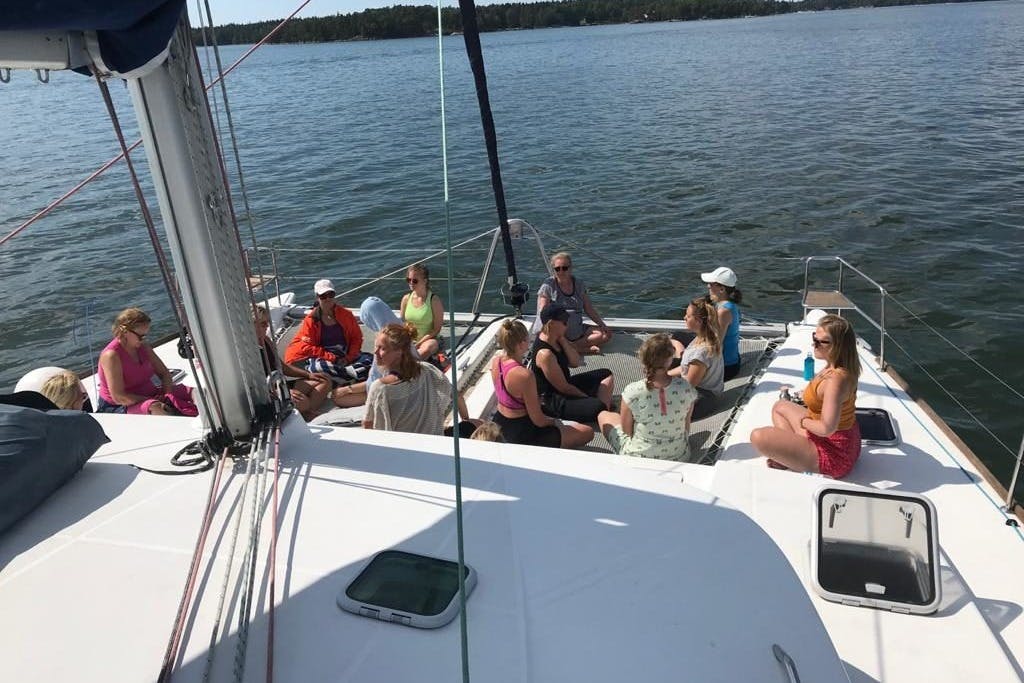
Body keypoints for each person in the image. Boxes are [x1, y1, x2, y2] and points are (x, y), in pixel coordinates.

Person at [750, 315, 862, 478]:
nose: (814, 344)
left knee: (757, 437)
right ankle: (791, 456)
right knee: (780, 407)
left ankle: (792, 458)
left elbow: (826, 428)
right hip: (843, 440)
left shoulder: (835, 380)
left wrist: (803, 422)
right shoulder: (837, 366)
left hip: (834, 454)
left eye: (822, 342)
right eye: (814, 338)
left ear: (839, 346)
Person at [490, 319, 594, 449]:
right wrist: (555, 422)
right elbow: (538, 420)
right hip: (523, 432)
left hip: (500, 422)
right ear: (522, 344)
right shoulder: (524, 375)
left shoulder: (496, 362)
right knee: (587, 432)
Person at [362, 323, 478, 436]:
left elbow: (367, 426)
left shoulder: (380, 387)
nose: (375, 352)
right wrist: (466, 420)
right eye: (376, 346)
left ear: (399, 352)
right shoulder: (427, 370)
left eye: (382, 348)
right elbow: (457, 396)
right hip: (435, 441)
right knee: (477, 424)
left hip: (404, 450)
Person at [598, 333, 698, 459]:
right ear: (670, 359)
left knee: (604, 415)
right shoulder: (686, 389)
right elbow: (686, 428)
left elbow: (627, 432)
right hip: (678, 455)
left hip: (639, 456)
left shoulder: (632, 391)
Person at [96, 308, 196, 416]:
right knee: (156, 407)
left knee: (194, 392)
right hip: (120, 406)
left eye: (145, 336)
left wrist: (167, 394)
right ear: (125, 332)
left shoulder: (143, 346)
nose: (143, 339)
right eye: (140, 336)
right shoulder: (111, 356)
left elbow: (164, 373)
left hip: (150, 394)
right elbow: (119, 397)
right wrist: (151, 399)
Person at [532, 302, 614, 423]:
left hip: (567, 384)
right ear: (552, 324)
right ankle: (601, 412)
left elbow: (575, 362)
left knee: (606, 374)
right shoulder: (545, 354)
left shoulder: (556, 337)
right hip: (553, 399)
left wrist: (563, 340)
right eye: (564, 321)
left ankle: (602, 413)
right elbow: (564, 388)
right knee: (597, 406)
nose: (567, 324)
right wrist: (585, 397)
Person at [254, 306, 335, 419]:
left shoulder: (266, 341)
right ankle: (306, 409)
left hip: (280, 385)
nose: (267, 326)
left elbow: (283, 367)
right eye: (263, 324)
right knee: (303, 401)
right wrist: (277, 391)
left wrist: (308, 375)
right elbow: (253, 387)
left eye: (267, 323)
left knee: (325, 380)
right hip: (269, 392)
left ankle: (306, 411)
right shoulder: (248, 352)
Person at [284, 279, 371, 383]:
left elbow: (356, 338)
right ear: (317, 297)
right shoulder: (311, 320)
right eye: (323, 296)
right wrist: (333, 359)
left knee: (373, 360)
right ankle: (351, 374)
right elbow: (309, 347)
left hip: (344, 353)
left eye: (331, 294)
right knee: (320, 368)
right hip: (322, 355)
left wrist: (349, 358)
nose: (328, 299)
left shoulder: (346, 315)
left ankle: (341, 376)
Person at [536, 252, 612, 353]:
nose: (561, 271)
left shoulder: (579, 284)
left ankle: (573, 347)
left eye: (565, 268)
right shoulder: (548, 286)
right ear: (553, 270)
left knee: (606, 334)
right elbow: (543, 313)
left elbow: (588, 308)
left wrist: (602, 324)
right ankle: (578, 348)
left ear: (571, 268)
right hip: (559, 331)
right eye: (557, 269)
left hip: (577, 327)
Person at [669, 296, 724, 419]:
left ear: (698, 321)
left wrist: (663, 385)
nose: (684, 318)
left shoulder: (700, 354)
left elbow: (688, 386)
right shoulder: (703, 337)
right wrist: (666, 375)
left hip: (703, 397)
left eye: (688, 316)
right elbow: (685, 368)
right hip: (701, 388)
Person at [701, 266, 743, 380]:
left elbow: (716, 345)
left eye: (712, 283)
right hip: (731, 361)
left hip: (726, 368)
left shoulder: (723, 311)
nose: (708, 286)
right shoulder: (730, 305)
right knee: (678, 337)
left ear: (722, 289)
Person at [400, 264, 445, 360]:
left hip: (429, 339)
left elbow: (436, 330)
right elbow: (402, 323)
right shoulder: (406, 299)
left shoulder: (434, 301)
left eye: (415, 281)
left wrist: (419, 343)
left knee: (426, 349)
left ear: (425, 281)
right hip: (410, 339)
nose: (411, 283)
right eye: (408, 280)